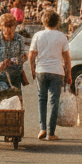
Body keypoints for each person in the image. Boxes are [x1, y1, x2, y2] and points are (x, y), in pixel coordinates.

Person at [27, 10, 72, 141]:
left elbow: (31, 55)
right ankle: (51, 132)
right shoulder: (61, 36)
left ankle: (43, 129)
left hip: (41, 70)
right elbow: (67, 57)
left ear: (44, 21)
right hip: (57, 71)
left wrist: (33, 69)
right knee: (54, 102)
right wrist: (68, 73)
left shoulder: (38, 35)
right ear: (57, 22)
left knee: (42, 99)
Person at [0, 13, 27, 89]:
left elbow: (24, 56)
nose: (9, 35)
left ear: (15, 27)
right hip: (0, 77)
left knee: (16, 100)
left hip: (15, 77)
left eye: (12, 32)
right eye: (6, 32)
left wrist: (13, 60)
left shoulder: (19, 39)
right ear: (0, 27)